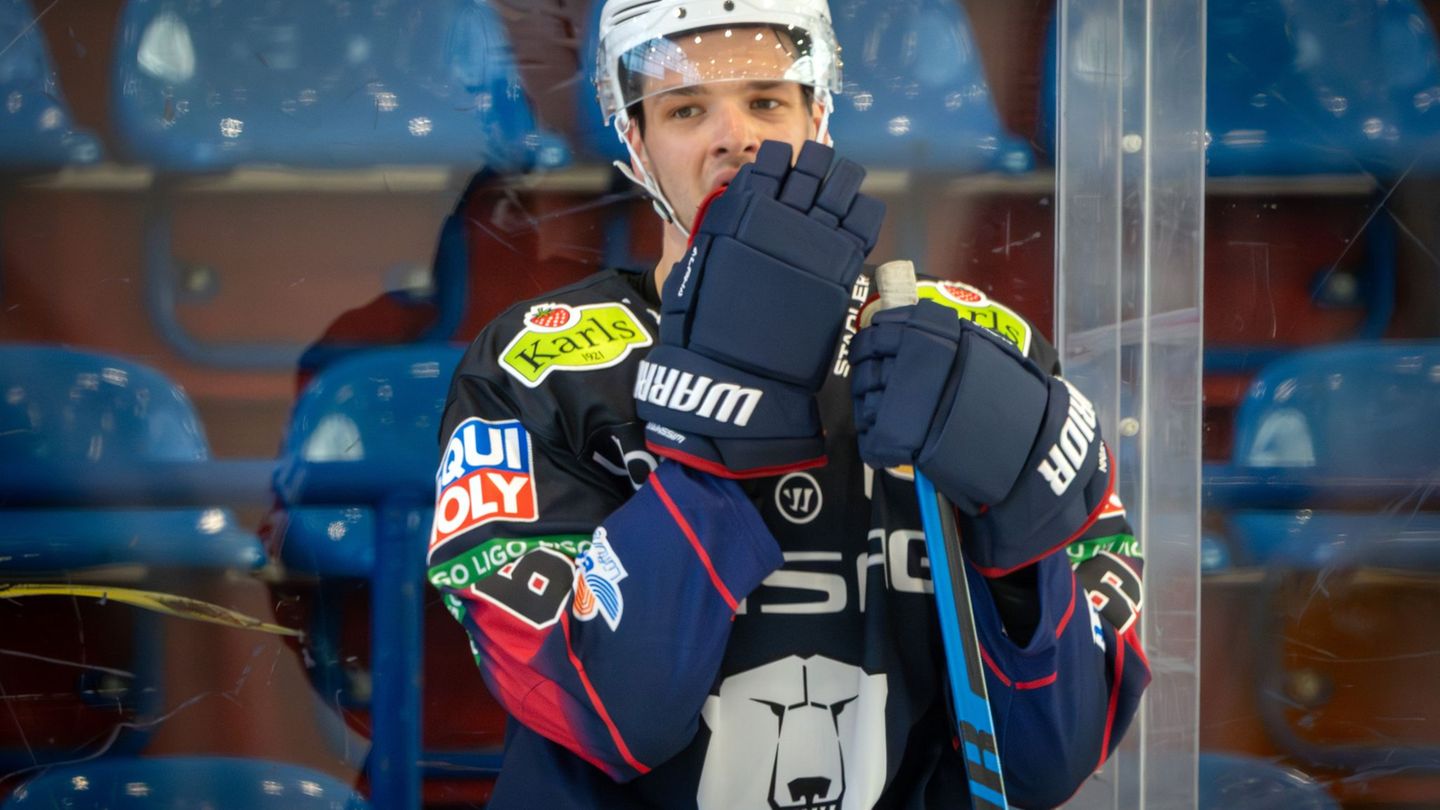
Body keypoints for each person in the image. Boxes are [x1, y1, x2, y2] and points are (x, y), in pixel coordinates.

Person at [425, 1, 1149, 807]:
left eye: (767, 100)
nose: (733, 135)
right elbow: (604, 715)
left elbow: (1048, 761)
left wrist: (1020, 548)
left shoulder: (970, 346)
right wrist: (718, 413)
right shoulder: (538, 361)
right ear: (635, 143)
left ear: (820, 118)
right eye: (686, 108)